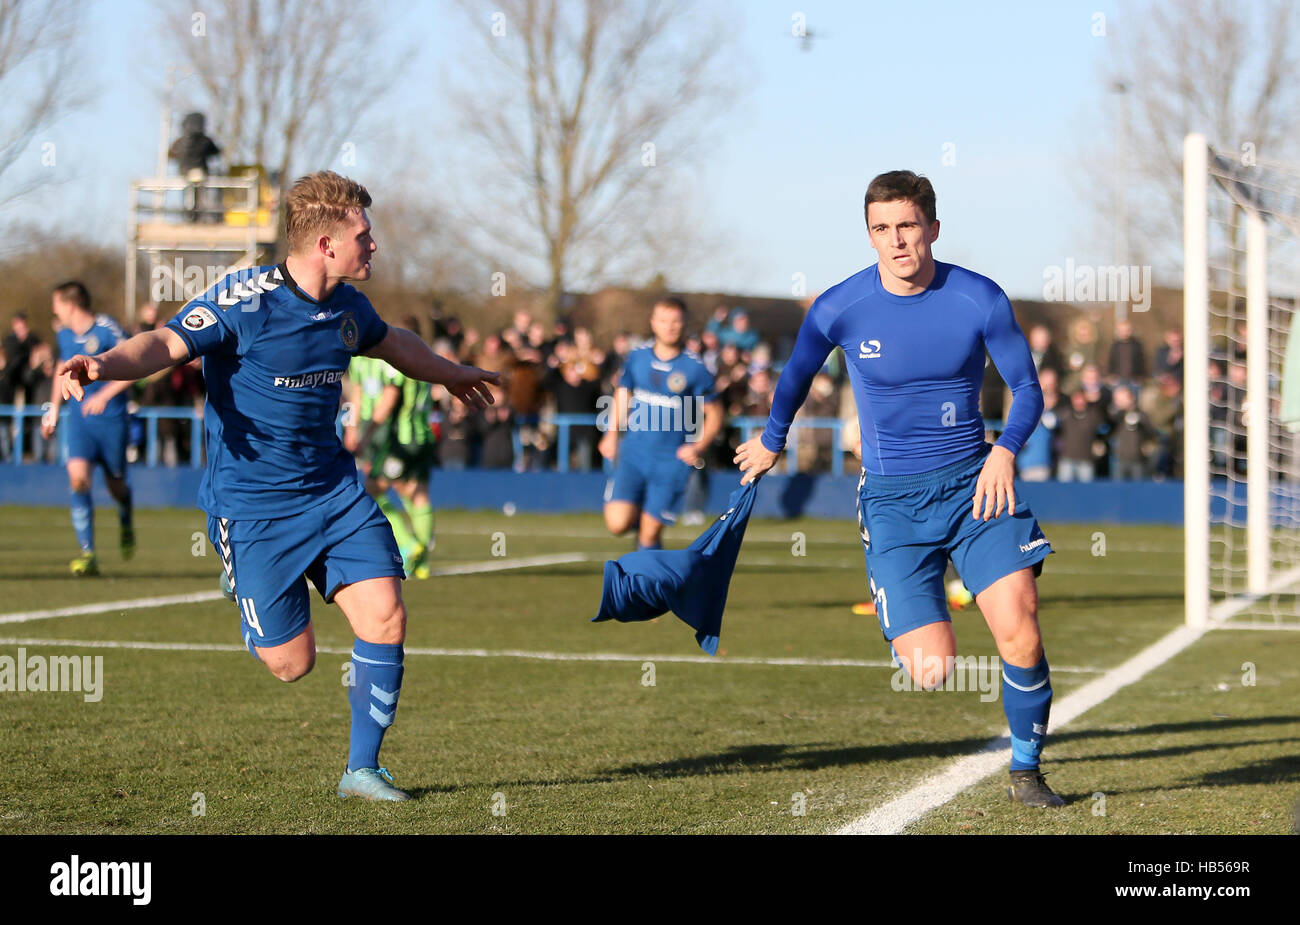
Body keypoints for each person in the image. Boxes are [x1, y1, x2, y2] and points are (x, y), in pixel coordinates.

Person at [54, 171, 499, 802]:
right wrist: (103, 365)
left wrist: (450, 373)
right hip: (253, 507)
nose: (373, 246)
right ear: (324, 244)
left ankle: (362, 770)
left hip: (334, 494)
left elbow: (393, 343)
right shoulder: (243, 301)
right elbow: (165, 342)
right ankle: (243, 581)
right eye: (363, 235)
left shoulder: (348, 307)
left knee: (386, 614)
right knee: (293, 664)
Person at [734, 171, 1062, 808]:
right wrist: (773, 439)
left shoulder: (979, 298)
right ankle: (920, 594)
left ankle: (1026, 769)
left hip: (976, 486)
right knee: (931, 669)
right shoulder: (839, 307)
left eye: (907, 226)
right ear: (869, 235)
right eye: (881, 229)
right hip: (891, 499)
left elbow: (1028, 389)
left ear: (933, 229)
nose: (896, 241)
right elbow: (795, 375)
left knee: (1019, 628)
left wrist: (1005, 451)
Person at [599, 297, 724, 550]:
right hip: (633, 454)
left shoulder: (695, 368)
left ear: (685, 324)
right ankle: (642, 518)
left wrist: (698, 447)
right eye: (664, 320)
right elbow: (623, 393)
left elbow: (716, 414)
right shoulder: (637, 358)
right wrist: (611, 434)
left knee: (649, 536)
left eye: (676, 321)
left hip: (670, 462)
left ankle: (650, 584)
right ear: (653, 323)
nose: (670, 327)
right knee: (617, 524)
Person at [41, 283, 136, 575]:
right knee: (79, 480)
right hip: (80, 424)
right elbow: (61, 372)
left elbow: (135, 364)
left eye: (56, 303)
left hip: (111, 422)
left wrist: (104, 396)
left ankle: (125, 514)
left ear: (71, 304)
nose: (54, 310)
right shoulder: (64, 334)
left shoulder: (107, 328)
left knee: (115, 487)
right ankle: (88, 553)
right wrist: (53, 411)